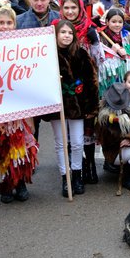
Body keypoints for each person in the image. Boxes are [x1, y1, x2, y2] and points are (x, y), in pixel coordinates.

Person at [0, 4, 38, 203]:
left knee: (20, 146)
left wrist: (30, 114)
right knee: (1, 147)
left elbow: (28, 80)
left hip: (19, 109)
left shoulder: (22, 47)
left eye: (9, 23)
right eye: (1, 22)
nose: (5, 26)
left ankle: (21, 182)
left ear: (15, 24)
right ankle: (5, 185)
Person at [44, 20, 98, 197]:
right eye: (63, 32)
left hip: (78, 105)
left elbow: (91, 81)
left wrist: (91, 105)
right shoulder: (48, 54)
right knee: (61, 143)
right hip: (57, 104)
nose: (66, 36)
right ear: (56, 34)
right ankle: (64, 177)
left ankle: (77, 174)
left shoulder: (81, 54)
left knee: (77, 142)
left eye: (69, 33)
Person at [100, 8, 130, 89]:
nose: (117, 25)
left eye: (120, 22)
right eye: (113, 22)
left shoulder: (127, 35)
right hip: (109, 79)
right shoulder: (101, 37)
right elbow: (98, 60)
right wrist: (112, 52)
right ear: (107, 22)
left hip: (125, 78)